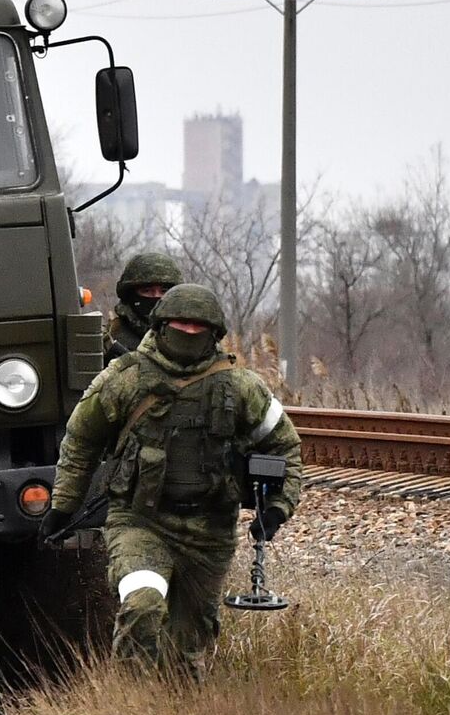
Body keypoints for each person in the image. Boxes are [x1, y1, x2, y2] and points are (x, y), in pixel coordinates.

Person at [41, 284, 302, 679]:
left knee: (185, 648)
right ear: (161, 326)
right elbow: (80, 441)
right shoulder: (125, 379)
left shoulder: (240, 387)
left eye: (198, 327)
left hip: (209, 532)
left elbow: (285, 446)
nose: (188, 332)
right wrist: (63, 505)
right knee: (143, 605)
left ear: (214, 334)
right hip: (139, 522)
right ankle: (131, 703)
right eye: (180, 323)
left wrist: (278, 507)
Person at [105, 251, 185, 363]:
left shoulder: (190, 334)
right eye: (147, 291)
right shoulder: (110, 337)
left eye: (164, 291)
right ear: (130, 295)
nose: (156, 297)